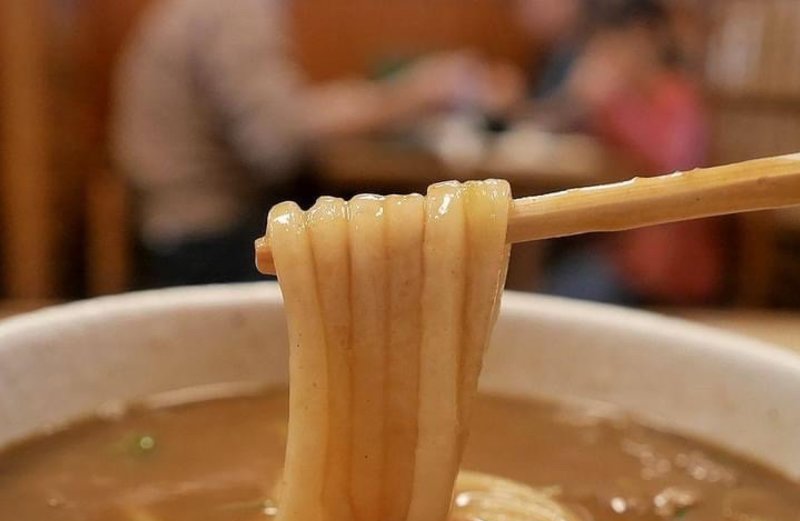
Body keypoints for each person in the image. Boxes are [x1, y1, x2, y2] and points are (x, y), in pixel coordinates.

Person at [113, 0, 492, 287]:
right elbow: (276, 144)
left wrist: (384, 98)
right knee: (394, 271)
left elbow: (281, 115)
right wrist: (404, 97)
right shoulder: (234, 10)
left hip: (172, 234)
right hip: (206, 243)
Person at [512, 0, 722, 304]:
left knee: (553, 293)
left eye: (616, 46)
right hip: (620, 246)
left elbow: (676, 171)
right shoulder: (623, 101)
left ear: (647, 39)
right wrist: (578, 98)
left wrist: (608, 103)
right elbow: (550, 129)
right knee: (543, 281)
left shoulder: (677, 97)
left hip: (663, 261)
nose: (612, 58)